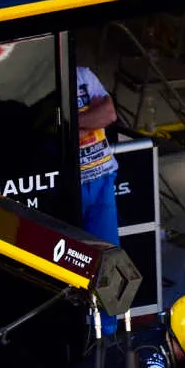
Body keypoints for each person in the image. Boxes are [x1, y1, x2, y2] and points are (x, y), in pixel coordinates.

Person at [74, 66, 120, 245]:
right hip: (69, 183)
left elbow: (109, 114)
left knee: (105, 251)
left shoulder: (84, 74)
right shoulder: (47, 84)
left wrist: (73, 124)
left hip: (102, 177)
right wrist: (92, 118)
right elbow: (56, 134)